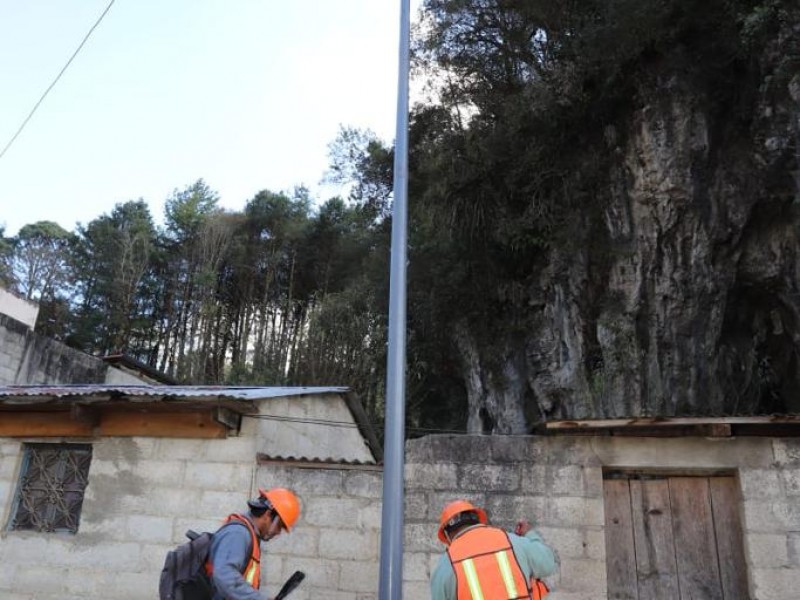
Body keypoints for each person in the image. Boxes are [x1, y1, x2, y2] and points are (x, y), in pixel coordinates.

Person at [431, 500, 556, 600]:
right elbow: (548, 564)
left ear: (447, 535)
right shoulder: (512, 541)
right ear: (478, 520)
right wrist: (530, 534)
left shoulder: (445, 566)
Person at [206, 487, 301, 600]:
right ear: (267, 514)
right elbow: (225, 575)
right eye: (279, 525)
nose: (278, 532)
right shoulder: (238, 534)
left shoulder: (249, 535)